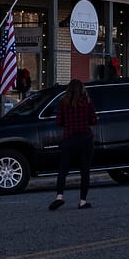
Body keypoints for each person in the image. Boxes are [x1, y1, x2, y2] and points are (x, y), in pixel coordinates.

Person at [49, 78, 97, 210]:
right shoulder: (87, 102)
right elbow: (93, 120)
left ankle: (59, 196)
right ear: (82, 89)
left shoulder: (63, 103)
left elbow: (58, 122)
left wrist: (69, 124)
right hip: (85, 138)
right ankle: (82, 201)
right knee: (85, 171)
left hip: (69, 138)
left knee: (63, 169)